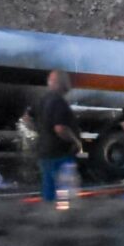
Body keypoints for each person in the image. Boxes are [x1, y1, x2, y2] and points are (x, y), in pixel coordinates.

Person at [32, 70, 82, 202]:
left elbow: (27, 118)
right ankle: (64, 214)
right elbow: (60, 128)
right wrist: (76, 141)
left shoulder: (43, 100)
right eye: (67, 82)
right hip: (59, 152)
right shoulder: (59, 102)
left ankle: (49, 214)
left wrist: (41, 132)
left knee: (49, 186)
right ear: (62, 84)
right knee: (65, 187)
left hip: (44, 150)